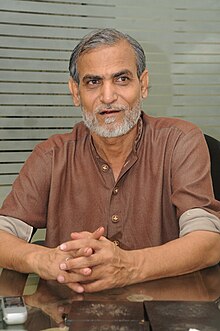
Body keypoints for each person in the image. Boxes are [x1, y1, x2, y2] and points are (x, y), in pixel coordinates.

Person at [0, 28, 219, 294]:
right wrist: (43, 259)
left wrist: (129, 266)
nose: (107, 97)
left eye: (121, 79)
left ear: (144, 84)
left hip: (164, 314)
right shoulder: (52, 155)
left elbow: (209, 242)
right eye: (93, 82)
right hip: (69, 317)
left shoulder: (180, 142)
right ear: (75, 92)